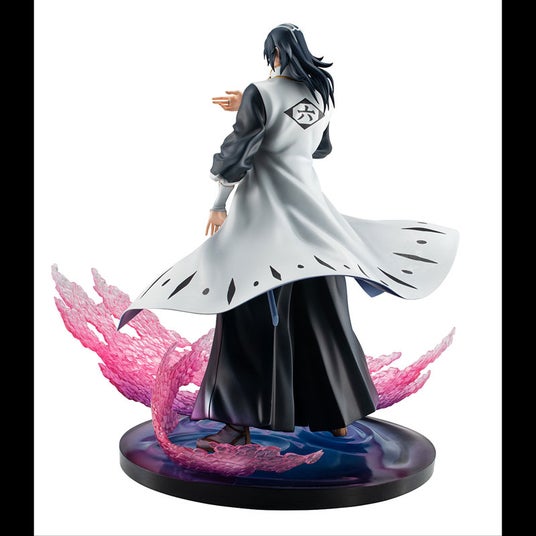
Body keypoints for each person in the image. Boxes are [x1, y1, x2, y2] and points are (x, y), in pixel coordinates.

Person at [118, 23, 458, 452]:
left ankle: (236, 426)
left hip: (264, 220)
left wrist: (219, 202)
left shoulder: (261, 92)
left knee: (246, 316)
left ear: (274, 55)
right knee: (321, 315)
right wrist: (256, 111)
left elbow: (237, 154)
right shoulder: (318, 96)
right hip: (314, 220)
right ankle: (336, 417)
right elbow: (319, 149)